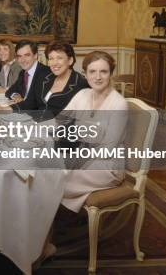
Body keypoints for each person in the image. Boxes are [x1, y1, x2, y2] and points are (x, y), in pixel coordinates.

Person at [60, 51, 128, 211]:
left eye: (103, 71)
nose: (98, 77)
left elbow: (107, 149)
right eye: (92, 71)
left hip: (106, 165)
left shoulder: (119, 104)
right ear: (85, 74)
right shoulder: (81, 95)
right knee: (42, 175)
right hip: (81, 157)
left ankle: (49, 228)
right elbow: (58, 121)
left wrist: (72, 162)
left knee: (51, 181)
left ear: (110, 73)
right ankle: (50, 225)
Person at [11, 41, 88, 120]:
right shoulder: (45, 77)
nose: (54, 63)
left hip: (56, 130)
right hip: (35, 124)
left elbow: (74, 120)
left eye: (59, 58)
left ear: (70, 60)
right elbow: (30, 103)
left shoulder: (81, 84)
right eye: (51, 58)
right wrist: (7, 109)